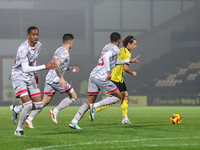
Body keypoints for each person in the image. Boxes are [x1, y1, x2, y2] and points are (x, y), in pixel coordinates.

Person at [69, 32, 137, 129]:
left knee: (89, 101)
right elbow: (106, 57)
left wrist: (128, 61)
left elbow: (113, 61)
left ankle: (74, 121)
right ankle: (95, 107)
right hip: (102, 77)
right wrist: (108, 72)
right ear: (119, 40)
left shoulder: (106, 47)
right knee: (118, 96)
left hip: (93, 75)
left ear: (110, 40)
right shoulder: (116, 49)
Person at [11, 33, 80, 129]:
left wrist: (71, 69)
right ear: (70, 41)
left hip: (50, 78)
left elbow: (60, 65)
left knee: (44, 102)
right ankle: (55, 111)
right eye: (73, 42)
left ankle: (25, 115)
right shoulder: (65, 52)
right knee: (74, 96)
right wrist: (61, 78)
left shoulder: (59, 49)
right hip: (56, 80)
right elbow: (57, 63)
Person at [10, 26, 56, 136]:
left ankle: (17, 109)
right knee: (29, 105)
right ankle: (19, 130)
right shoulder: (23, 48)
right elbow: (25, 68)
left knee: (39, 105)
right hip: (19, 76)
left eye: (37, 34)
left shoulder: (39, 45)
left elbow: (33, 60)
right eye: (33, 35)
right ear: (28, 36)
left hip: (29, 76)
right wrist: (45, 66)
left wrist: (34, 73)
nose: (36, 37)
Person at [94, 35, 140, 125]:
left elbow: (120, 62)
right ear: (128, 44)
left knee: (125, 96)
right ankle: (95, 109)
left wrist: (131, 61)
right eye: (134, 44)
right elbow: (124, 67)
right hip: (116, 78)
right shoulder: (126, 53)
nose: (135, 46)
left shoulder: (123, 51)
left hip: (118, 78)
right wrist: (132, 72)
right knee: (115, 99)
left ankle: (125, 118)